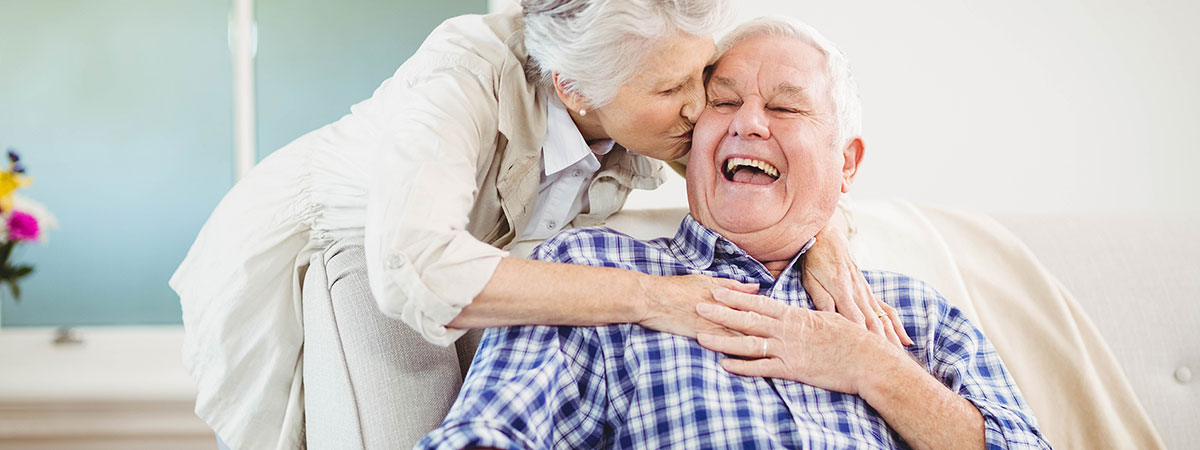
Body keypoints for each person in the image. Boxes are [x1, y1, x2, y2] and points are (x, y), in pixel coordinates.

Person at [171, 2, 910, 449]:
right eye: (670, 88)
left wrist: (828, 234)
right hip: (357, 249)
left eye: (701, 77)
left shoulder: (658, 90)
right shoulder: (462, 72)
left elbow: (773, 156)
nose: (700, 107)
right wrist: (656, 299)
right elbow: (416, 270)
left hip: (473, 257)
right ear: (575, 89)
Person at [418, 15, 1050, 449]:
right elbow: (485, 433)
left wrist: (873, 369)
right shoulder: (589, 272)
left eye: (783, 106)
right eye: (722, 102)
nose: (748, 124)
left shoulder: (914, 317)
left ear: (847, 164)